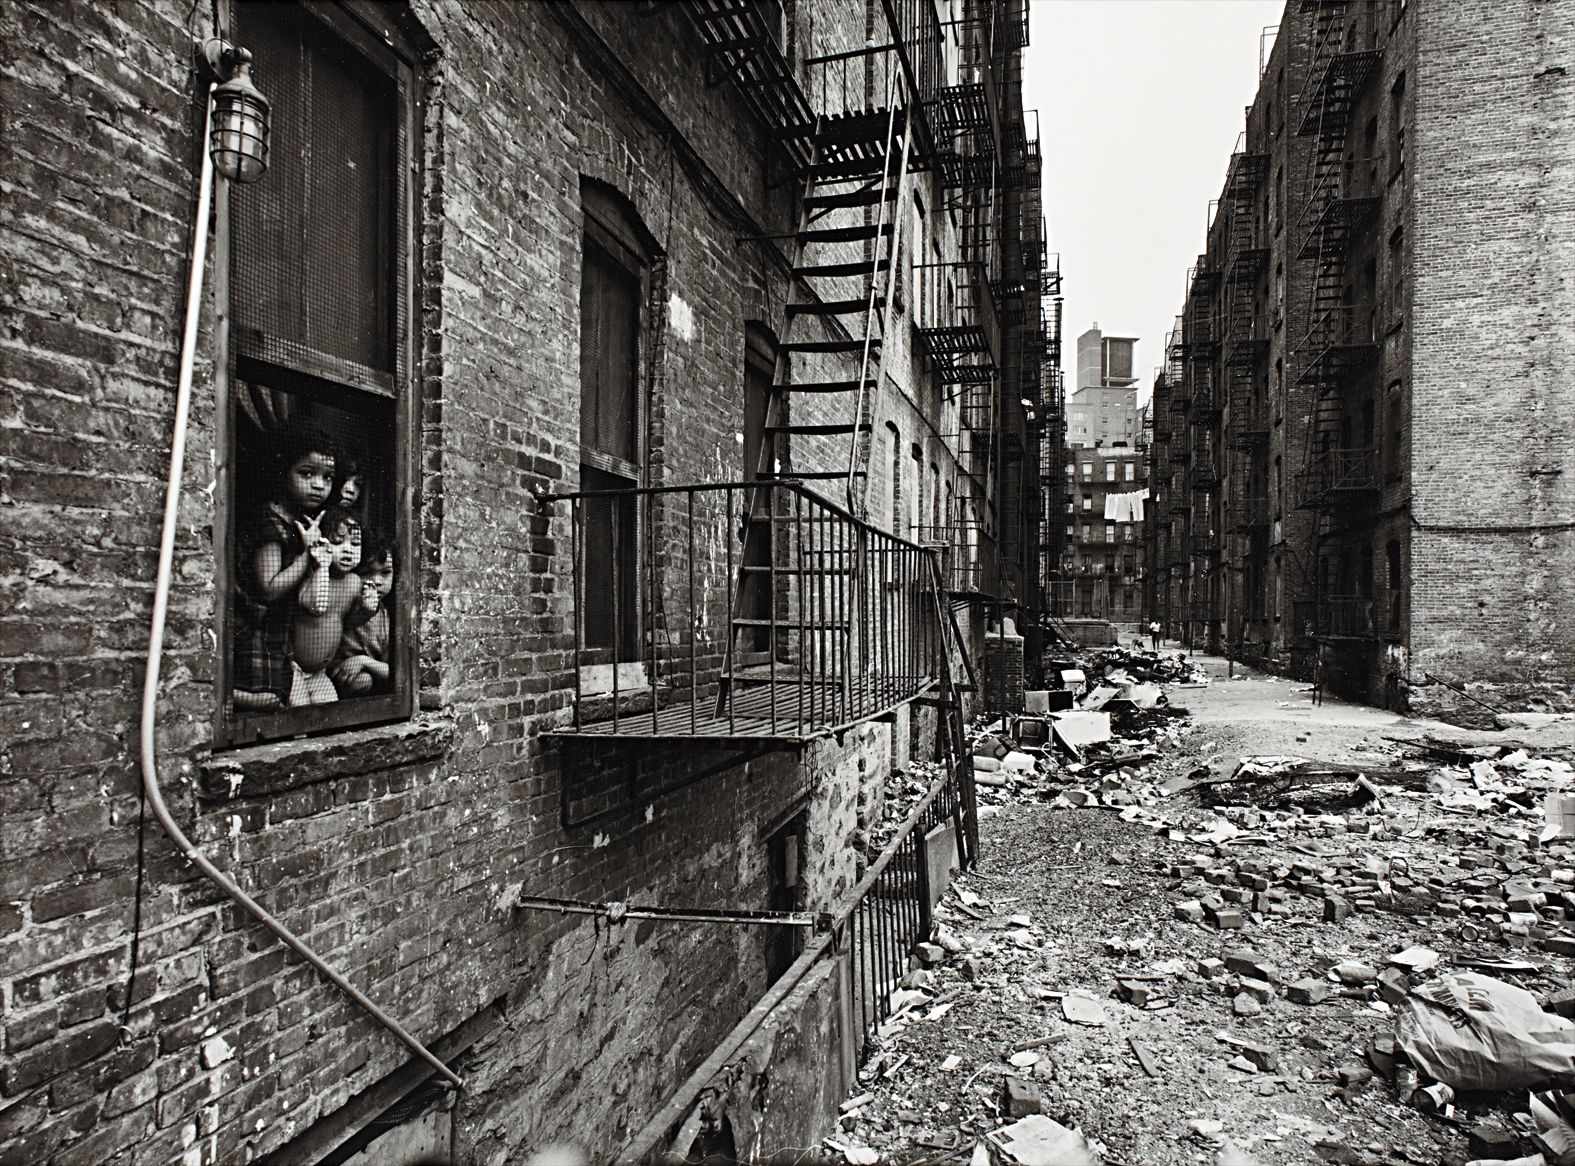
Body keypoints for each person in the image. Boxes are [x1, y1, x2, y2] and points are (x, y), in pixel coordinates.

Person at [232, 426, 338, 710]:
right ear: (282, 472)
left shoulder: (295, 522)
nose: (319, 485)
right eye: (307, 474)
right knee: (266, 701)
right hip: (255, 634)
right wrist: (309, 554)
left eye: (327, 477)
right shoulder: (271, 525)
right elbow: (269, 588)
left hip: (276, 637)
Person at [290, 507, 379, 705]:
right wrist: (322, 565)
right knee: (298, 712)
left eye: (355, 544)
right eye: (338, 542)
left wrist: (366, 610)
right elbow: (317, 607)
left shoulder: (354, 582)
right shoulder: (312, 575)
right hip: (294, 669)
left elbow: (347, 623)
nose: (348, 549)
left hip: (319, 673)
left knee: (328, 714)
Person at [332, 536, 393, 696]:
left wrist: (363, 662)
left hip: (371, 674)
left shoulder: (387, 617)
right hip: (340, 676)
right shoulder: (345, 605)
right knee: (363, 682)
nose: (377, 581)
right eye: (367, 573)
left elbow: (393, 672)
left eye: (386, 572)